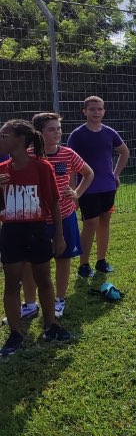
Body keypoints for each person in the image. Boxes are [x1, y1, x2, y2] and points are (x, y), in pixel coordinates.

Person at [0, 119, 72, 357]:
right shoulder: (2, 169)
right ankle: (16, 333)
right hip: (11, 233)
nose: (1, 140)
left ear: (20, 140)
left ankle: (51, 326)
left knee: (44, 281)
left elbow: (53, 202)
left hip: (38, 230)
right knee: (12, 284)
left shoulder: (42, 167)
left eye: (4, 136)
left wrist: (59, 236)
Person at [20, 112, 94, 320]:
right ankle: (30, 305)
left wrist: (77, 193)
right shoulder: (27, 155)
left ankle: (59, 300)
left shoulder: (68, 154)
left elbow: (89, 173)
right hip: (35, 219)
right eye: (51, 129)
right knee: (29, 263)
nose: (57, 133)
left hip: (65, 216)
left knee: (64, 258)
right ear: (39, 133)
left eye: (59, 129)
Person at [67, 96, 129, 278]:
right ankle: (83, 265)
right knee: (90, 224)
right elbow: (70, 164)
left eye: (100, 109)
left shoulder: (110, 132)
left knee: (105, 221)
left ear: (104, 111)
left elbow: (124, 151)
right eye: (92, 109)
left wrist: (115, 175)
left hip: (108, 187)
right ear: (84, 111)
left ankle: (101, 261)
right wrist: (74, 192)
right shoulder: (77, 135)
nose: (96, 112)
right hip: (87, 188)